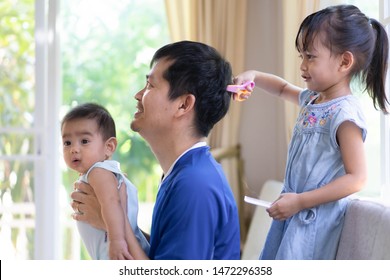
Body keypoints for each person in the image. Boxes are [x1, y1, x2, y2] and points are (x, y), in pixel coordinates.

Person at [235, 4, 389, 259]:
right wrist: (255, 76)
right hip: (293, 212)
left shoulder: (344, 114)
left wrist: (301, 201)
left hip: (313, 221)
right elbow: (284, 89)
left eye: (310, 56)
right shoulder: (313, 99)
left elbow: (357, 178)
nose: (303, 65)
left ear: (344, 61)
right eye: (301, 56)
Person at [70, 41, 241, 260]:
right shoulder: (182, 173)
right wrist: (115, 223)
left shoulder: (195, 185)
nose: (138, 95)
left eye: (150, 86)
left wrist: (113, 224)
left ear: (183, 105)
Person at [61, 103, 149, 260]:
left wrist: (117, 240)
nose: (74, 148)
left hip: (118, 251)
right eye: (67, 143)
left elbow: (111, 202)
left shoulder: (98, 172)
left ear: (109, 147)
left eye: (84, 141)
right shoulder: (102, 172)